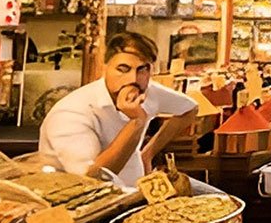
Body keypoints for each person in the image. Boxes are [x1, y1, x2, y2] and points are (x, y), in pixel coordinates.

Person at [38, 31, 199, 186]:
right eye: (123, 69)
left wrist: (148, 154)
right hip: (88, 200)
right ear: (105, 68)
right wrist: (137, 122)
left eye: (142, 69)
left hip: (138, 190)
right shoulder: (72, 113)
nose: (133, 79)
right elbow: (94, 180)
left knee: (212, 196)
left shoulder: (149, 92)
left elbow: (190, 109)